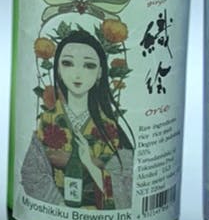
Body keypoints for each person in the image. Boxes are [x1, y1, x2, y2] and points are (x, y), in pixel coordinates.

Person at [21, 29, 134, 209]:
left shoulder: (109, 126)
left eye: (89, 65)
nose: (77, 74)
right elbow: (32, 173)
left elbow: (126, 185)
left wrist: (88, 163)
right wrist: (60, 206)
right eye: (68, 63)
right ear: (58, 69)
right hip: (56, 205)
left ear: (100, 72)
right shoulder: (49, 119)